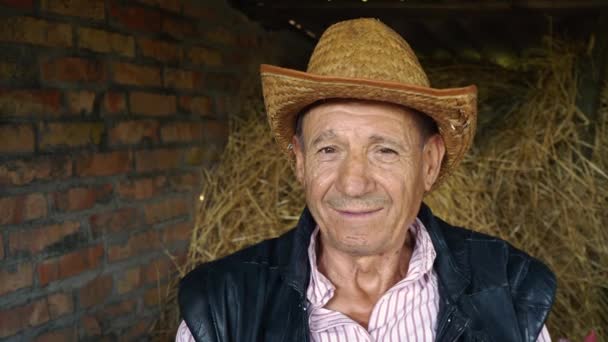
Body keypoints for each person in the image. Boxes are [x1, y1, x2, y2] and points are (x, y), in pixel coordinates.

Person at [176, 18, 556, 342]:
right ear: (300, 162)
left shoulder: (510, 290)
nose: (353, 184)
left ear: (429, 163)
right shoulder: (221, 307)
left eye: (385, 151)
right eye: (329, 150)